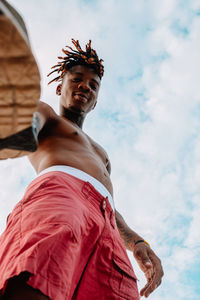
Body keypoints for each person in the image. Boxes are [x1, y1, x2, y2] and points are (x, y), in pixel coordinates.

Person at [0, 1, 163, 299]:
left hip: (106, 221)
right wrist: (18, 130)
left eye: (93, 84)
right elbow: (28, 122)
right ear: (60, 87)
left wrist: (138, 242)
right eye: (76, 79)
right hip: (60, 192)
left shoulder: (102, 154)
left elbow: (110, 206)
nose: (85, 86)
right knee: (38, 273)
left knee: (117, 292)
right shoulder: (47, 113)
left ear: (97, 100)